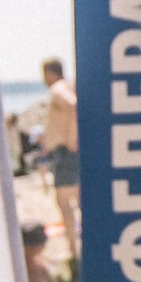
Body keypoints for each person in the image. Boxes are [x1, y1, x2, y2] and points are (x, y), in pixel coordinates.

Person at [39, 54, 81, 264]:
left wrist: (72, 137)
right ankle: (78, 248)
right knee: (77, 201)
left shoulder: (58, 88)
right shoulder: (69, 85)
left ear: (48, 73)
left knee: (65, 203)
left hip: (66, 152)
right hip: (68, 151)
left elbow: (74, 105)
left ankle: (73, 251)